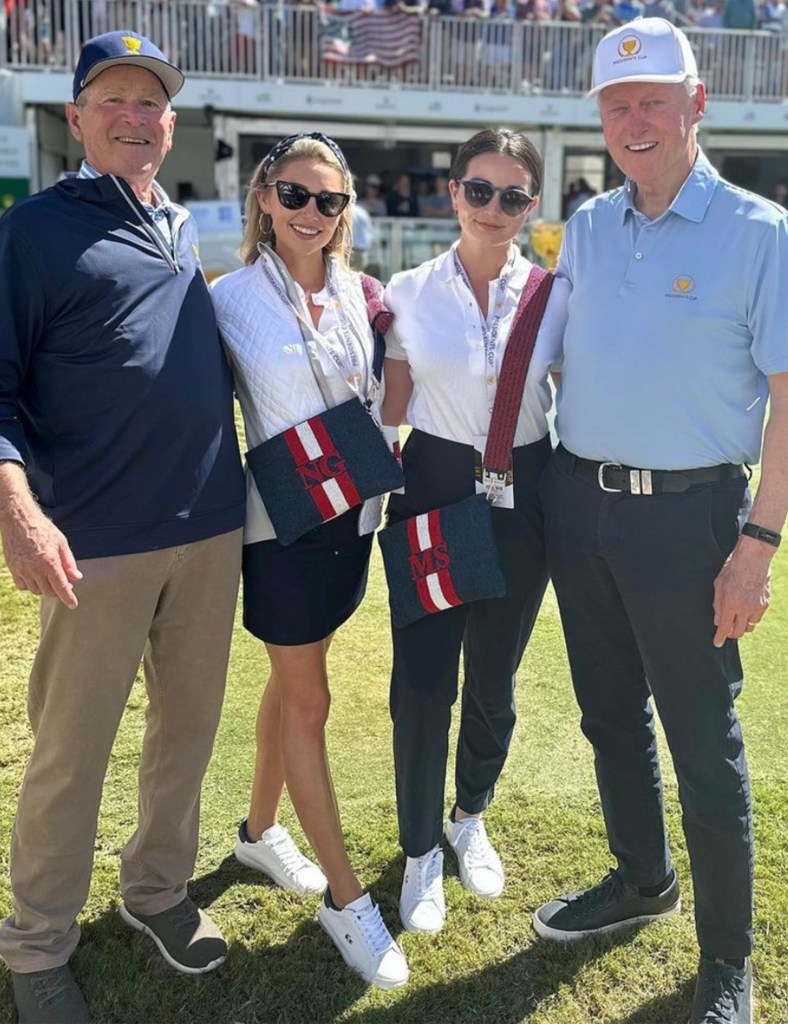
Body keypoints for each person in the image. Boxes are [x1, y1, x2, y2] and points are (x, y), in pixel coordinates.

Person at [532, 19, 788, 1024]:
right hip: (579, 507)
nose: (632, 119)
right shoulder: (588, 226)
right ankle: (641, 878)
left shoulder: (759, 232)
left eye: (651, 99)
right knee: (605, 717)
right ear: (598, 116)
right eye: (614, 103)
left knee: (699, 739)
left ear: (695, 105)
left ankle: (724, 961)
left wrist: (757, 545)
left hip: (689, 523)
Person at [0, 30, 246, 1024]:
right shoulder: (33, 231)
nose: (136, 118)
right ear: (77, 118)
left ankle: (155, 893)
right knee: (72, 752)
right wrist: (17, 509)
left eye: (152, 104)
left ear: (171, 124)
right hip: (94, 541)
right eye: (115, 101)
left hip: (208, 531)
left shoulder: (179, 225)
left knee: (183, 738)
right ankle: (34, 946)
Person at [211, 132, 409, 990]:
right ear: (264, 199)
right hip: (281, 528)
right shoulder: (226, 299)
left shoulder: (362, 293)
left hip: (352, 518)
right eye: (295, 196)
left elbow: (389, 387)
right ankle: (345, 896)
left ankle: (257, 834)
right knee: (311, 700)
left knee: (294, 685)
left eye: (329, 202)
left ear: (345, 212)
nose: (311, 214)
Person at [381, 128, 569, 935]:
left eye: (514, 195)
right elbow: (388, 408)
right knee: (424, 680)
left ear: (533, 205)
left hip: (524, 496)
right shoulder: (408, 290)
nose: (496, 208)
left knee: (496, 675)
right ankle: (421, 847)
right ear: (452, 192)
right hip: (434, 487)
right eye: (480, 190)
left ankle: (469, 814)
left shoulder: (557, 297)